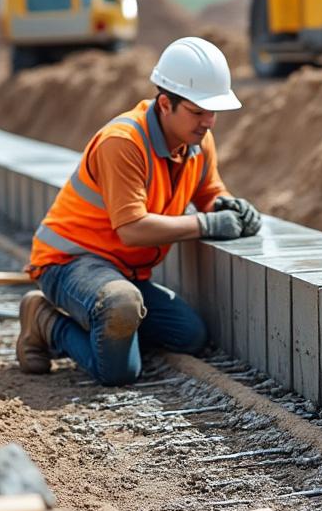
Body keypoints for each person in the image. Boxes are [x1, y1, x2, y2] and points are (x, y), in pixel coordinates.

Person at [16, 36, 262, 385]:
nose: (208, 121)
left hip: (122, 273)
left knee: (189, 335)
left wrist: (231, 208)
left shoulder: (196, 139)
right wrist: (207, 223)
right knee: (121, 353)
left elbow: (210, 192)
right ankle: (45, 321)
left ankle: (108, 320)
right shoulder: (124, 142)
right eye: (198, 111)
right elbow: (132, 228)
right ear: (165, 104)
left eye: (213, 112)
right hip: (68, 263)